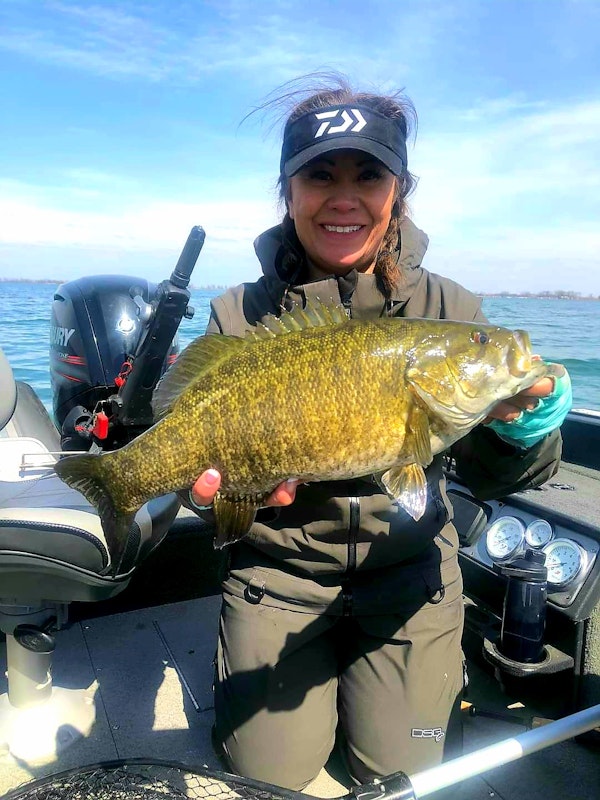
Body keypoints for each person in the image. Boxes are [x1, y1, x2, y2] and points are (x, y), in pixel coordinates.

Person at [185, 77, 571, 790]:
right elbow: (198, 471)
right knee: (268, 776)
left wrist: (524, 432)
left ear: (399, 190)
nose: (344, 197)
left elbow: (496, 477)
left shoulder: (452, 310)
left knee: (397, 774)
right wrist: (207, 492)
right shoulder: (238, 314)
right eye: (319, 175)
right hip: (281, 576)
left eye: (368, 175)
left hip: (410, 579)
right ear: (287, 191)